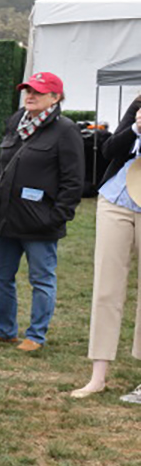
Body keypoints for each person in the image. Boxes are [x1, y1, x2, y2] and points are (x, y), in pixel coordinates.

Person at [0, 72, 83, 353]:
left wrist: (57, 216)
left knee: (41, 279)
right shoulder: (16, 122)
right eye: (27, 90)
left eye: (37, 91)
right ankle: (4, 330)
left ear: (55, 97)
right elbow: (2, 165)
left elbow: (73, 181)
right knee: (0, 275)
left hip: (40, 223)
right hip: (5, 218)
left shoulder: (66, 130)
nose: (30, 95)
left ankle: (36, 335)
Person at [72, 90, 141, 400]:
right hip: (116, 199)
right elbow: (110, 149)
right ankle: (97, 376)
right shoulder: (139, 103)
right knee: (106, 286)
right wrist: (136, 129)